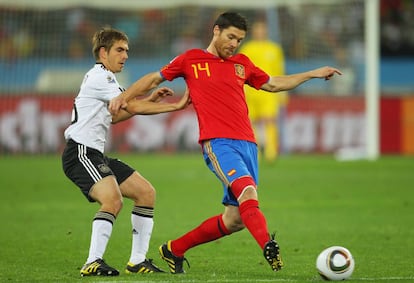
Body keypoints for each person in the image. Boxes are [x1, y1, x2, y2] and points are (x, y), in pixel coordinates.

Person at [109, 11, 342, 274]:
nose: (234, 44)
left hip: (248, 145)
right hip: (219, 143)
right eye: (231, 37)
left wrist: (312, 73)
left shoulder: (242, 63)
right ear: (216, 30)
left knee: (235, 220)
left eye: (239, 40)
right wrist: (123, 97)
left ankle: (174, 249)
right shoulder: (190, 59)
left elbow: (274, 84)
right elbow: (154, 79)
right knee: (248, 192)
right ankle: (268, 244)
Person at [61, 27, 190, 277]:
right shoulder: (101, 77)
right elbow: (130, 105)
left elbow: (118, 114)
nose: (125, 55)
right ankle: (93, 261)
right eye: (120, 50)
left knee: (145, 192)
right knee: (113, 200)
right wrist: (173, 107)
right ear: (103, 52)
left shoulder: (107, 79)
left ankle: (137, 261)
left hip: (95, 154)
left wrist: (152, 100)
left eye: (127, 51)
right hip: (80, 153)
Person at [239, 20, 287, 162]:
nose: (260, 32)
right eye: (257, 30)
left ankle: (271, 152)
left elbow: (279, 70)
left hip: (269, 90)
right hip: (250, 90)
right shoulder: (247, 48)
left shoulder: (274, 49)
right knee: (251, 122)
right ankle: (256, 152)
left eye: (262, 29)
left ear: (266, 32)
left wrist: (283, 92)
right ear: (253, 32)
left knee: (269, 120)